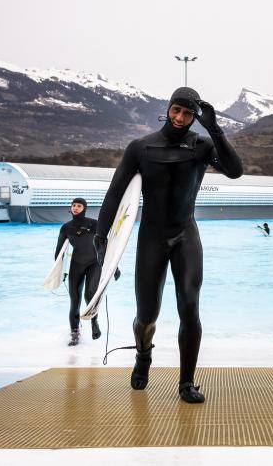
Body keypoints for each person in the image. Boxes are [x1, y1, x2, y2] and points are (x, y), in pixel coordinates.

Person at [95, 87, 242, 403]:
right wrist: (101, 236)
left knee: (189, 306)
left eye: (188, 114)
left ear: (194, 117)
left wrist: (215, 128)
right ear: (168, 108)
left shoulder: (202, 146)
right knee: (147, 315)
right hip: (152, 237)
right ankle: (143, 354)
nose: (180, 118)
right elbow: (114, 193)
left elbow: (235, 171)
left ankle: (186, 383)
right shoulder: (141, 148)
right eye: (176, 110)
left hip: (186, 234)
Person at [55, 198, 102, 346]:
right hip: (76, 265)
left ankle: (94, 322)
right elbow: (58, 252)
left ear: (84, 208)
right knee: (75, 301)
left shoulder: (94, 224)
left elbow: (104, 244)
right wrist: (59, 270)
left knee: (90, 295)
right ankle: (75, 334)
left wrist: (114, 268)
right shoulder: (66, 228)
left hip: (94, 264)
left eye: (79, 205)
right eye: (73, 205)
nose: (75, 208)